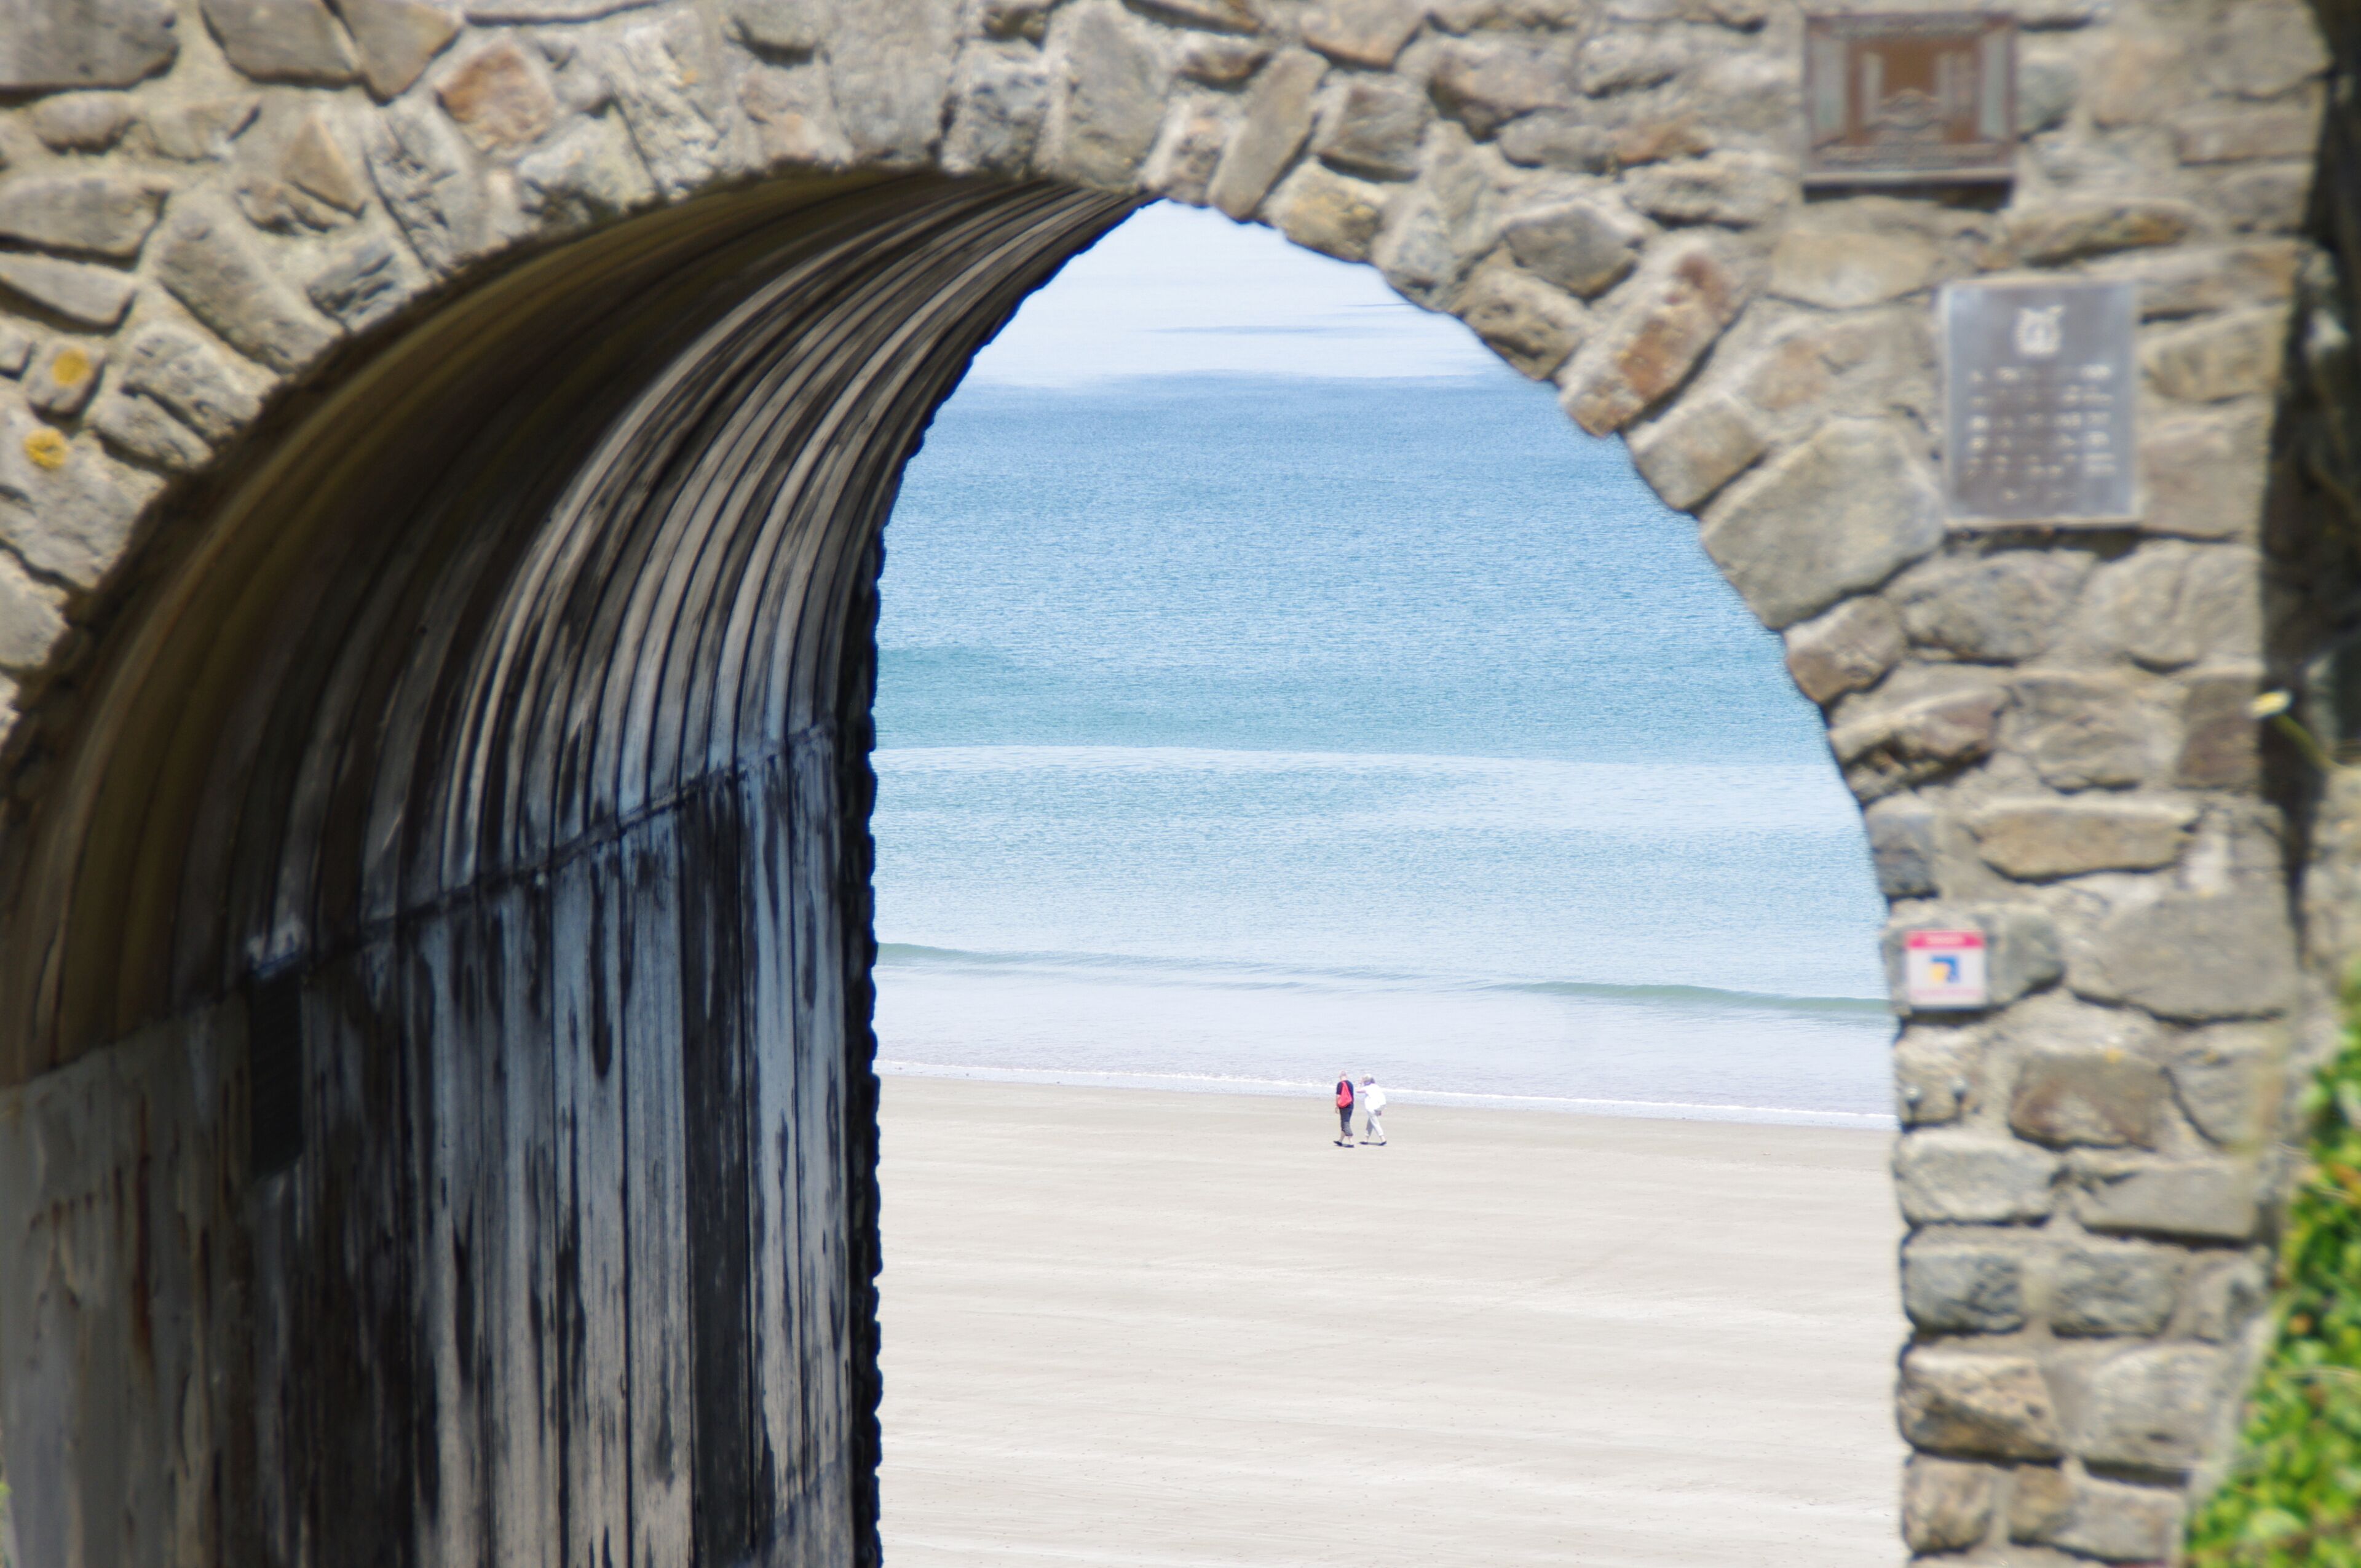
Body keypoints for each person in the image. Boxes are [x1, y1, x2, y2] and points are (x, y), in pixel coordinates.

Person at [1359, 1074, 1388, 1144]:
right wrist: (1380, 1109)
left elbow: (1358, 1091)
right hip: (1378, 1107)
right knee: (1370, 1123)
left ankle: (1383, 1139)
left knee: (1375, 1124)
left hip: (1371, 1108)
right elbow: (1380, 1097)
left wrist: (1360, 1083)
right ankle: (1366, 1139)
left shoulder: (1367, 1088)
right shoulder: (1376, 1086)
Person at [1333, 1072, 1356, 1146]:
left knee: (1345, 1123)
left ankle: (1351, 1142)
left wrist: (1337, 1105)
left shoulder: (1340, 1084)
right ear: (1346, 1076)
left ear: (1340, 1077)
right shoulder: (1351, 1084)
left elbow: (1338, 1096)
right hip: (1351, 1105)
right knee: (1345, 1122)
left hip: (1344, 1105)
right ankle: (1340, 1141)